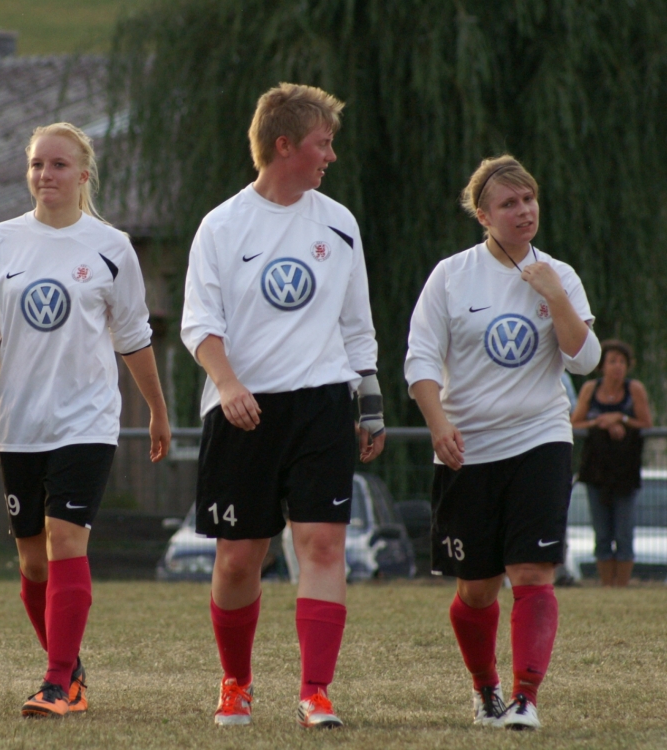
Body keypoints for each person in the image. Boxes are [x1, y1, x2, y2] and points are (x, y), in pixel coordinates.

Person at [0, 122, 171, 719]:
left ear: (84, 174)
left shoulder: (111, 247)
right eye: (37, 164)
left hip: (86, 422)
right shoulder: (1, 241)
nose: (46, 174)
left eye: (59, 164)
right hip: (18, 424)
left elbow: (134, 337)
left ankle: (55, 683)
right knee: (32, 561)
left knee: (66, 540)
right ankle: (69, 668)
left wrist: (157, 409)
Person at [180, 83, 386, 730]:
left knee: (323, 545)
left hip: (322, 405)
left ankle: (316, 691)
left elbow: (357, 325)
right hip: (242, 410)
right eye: (323, 144)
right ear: (284, 144)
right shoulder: (221, 225)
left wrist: (370, 404)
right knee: (240, 557)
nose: (331, 156)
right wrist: (228, 385)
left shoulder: (339, 223)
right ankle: (236, 683)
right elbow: (199, 324)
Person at [405, 154, 601, 730]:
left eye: (529, 199)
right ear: (484, 216)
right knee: (476, 589)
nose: (524, 211)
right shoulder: (451, 276)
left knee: (533, 572)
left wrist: (555, 296)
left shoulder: (559, 274)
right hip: (470, 449)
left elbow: (585, 360)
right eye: (509, 203)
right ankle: (485, 687)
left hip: (541, 437)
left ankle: (525, 698)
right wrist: (438, 424)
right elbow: (420, 360)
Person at [571, 340, 652, 587]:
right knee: (602, 531)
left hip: (625, 470)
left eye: (622, 362)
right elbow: (575, 423)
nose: (617, 366)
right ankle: (607, 585)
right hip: (596, 469)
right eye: (612, 361)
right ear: (602, 365)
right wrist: (600, 422)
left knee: (624, 531)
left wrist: (621, 418)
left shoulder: (634, 389)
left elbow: (646, 423)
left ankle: (622, 586)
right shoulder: (590, 389)